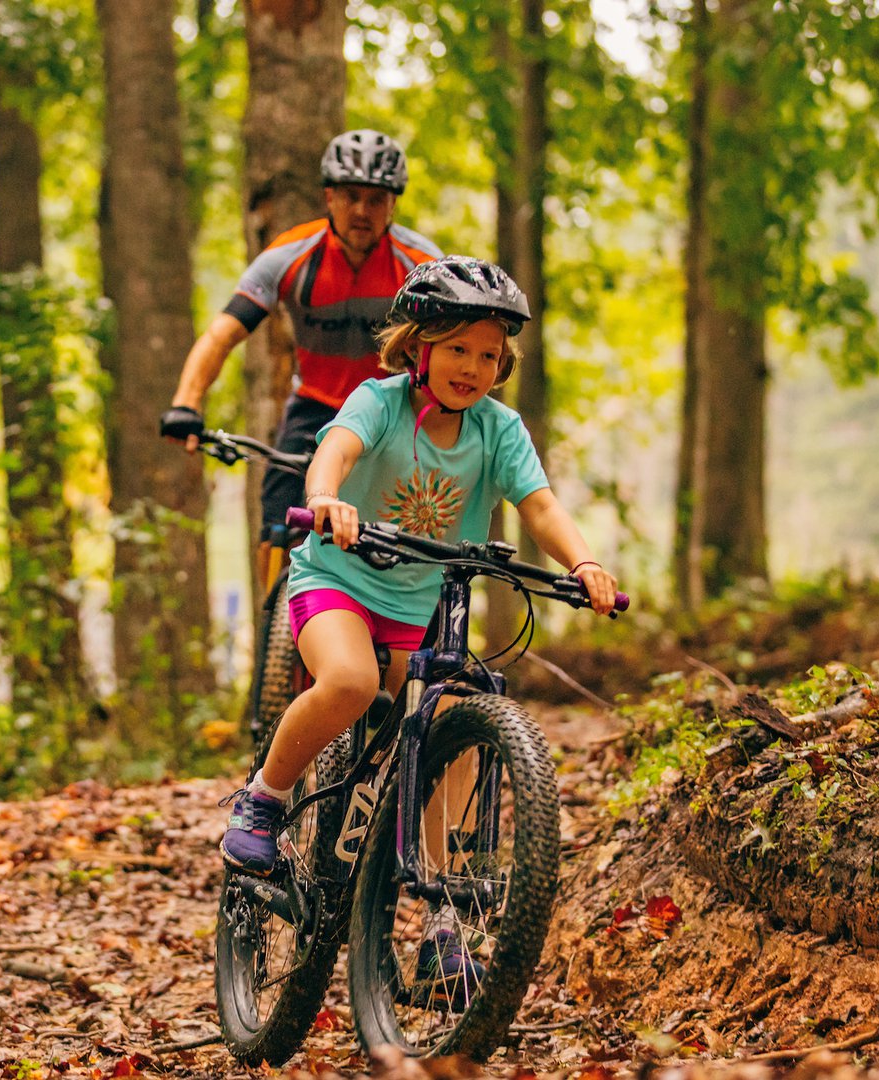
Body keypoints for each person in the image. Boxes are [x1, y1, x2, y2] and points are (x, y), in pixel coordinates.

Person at [217, 256, 621, 997]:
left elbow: (539, 505)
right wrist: (328, 499)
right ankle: (265, 800)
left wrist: (585, 562)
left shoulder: (498, 431)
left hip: (413, 607)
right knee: (349, 680)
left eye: (489, 355)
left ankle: (442, 916)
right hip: (337, 579)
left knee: (456, 719)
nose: (473, 366)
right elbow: (334, 451)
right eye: (458, 348)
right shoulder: (381, 403)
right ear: (419, 348)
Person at [158, 130, 445, 546]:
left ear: (393, 204)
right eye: (350, 195)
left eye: (376, 199)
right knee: (277, 522)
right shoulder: (290, 255)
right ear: (329, 197)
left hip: (394, 409)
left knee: (409, 531)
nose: (362, 210)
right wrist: (187, 402)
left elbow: (459, 348)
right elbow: (222, 334)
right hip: (314, 406)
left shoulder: (423, 266)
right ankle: (268, 609)